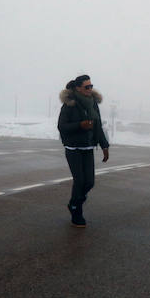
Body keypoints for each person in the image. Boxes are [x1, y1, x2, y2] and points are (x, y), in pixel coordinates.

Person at [57, 75, 110, 227]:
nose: (90, 89)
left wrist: (105, 146)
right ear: (78, 88)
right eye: (87, 87)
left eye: (91, 86)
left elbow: (98, 126)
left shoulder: (93, 103)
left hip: (88, 148)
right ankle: (76, 210)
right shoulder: (69, 104)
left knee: (90, 182)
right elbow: (62, 126)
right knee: (79, 181)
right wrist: (80, 125)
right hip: (73, 148)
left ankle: (74, 202)